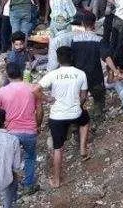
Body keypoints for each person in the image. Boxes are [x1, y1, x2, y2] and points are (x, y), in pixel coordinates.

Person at [35, 46, 90, 188]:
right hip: (75, 113)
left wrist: (47, 99)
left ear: (58, 59)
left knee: (58, 148)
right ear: (71, 58)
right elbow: (84, 96)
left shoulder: (53, 74)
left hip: (57, 116)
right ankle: (83, 149)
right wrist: (78, 105)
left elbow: (34, 89)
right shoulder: (81, 73)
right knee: (85, 121)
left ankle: (57, 180)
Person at [0, 62, 42, 195]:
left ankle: (10, 188)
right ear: (22, 72)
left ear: (7, 75)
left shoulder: (2, 91)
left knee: (9, 159)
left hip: (10, 131)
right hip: (29, 130)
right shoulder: (32, 88)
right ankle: (28, 185)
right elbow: (39, 110)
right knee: (30, 157)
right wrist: (38, 125)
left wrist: (2, 122)